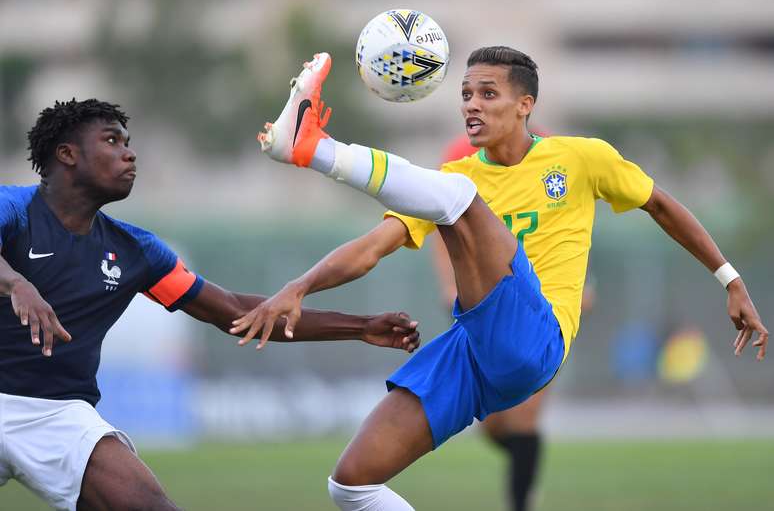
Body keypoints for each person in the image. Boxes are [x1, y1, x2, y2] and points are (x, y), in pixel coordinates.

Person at [235, 47, 768, 511]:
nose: (471, 104)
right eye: (465, 93)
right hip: (475, 350)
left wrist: (731, 279)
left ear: (525, 105)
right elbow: (373, 248)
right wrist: (299, 286)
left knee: (458, 202)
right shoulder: (456, 180)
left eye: (488, 93)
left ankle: (312, 148)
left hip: (539, 337)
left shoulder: (580, 158)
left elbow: (661, 205)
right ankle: (305, 146)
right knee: (350, 485)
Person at [0, 98, 420, 511]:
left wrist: (359, 327)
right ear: (67, 154)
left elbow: (237, 314)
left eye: (128, 141)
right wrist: (18, 283)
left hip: (56, 416)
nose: (129, 153)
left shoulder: (135, 251)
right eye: (112, 141)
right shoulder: (15, 210)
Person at [433, 134, 595, 511]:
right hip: (487, 306)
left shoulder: (555, 152)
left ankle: (521, 500)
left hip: (543, 308)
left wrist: (581, 286)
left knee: (524, 416)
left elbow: (571, 221)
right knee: (493, 426)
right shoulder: (461, 155)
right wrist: (447, 284)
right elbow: (440, 227)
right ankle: (527, 461)